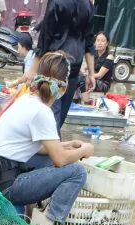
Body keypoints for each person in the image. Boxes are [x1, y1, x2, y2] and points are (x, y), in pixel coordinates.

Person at [0, 52, 95, 225]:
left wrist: (66, 144)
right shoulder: (43, 112)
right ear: (64, 88)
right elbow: (60, 160)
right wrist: (84, 149)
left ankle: (33, 219)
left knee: (46, 158)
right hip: (4, 186)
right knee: (77, 172)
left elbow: (38, 148)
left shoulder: (25, 100)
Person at [33, 0, 96, 132]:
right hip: (73, 67)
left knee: (51, 117)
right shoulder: (88, 5)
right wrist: (91, 74)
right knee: (59, 116)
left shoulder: (56, 2)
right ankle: (52, 148)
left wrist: (33, 69)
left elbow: (45, 37)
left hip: (54, 67)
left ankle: (50, 150)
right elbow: (89, 42)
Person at [91, 32, 116, 97]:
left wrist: (87, 76)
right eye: (98, 40)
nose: (99, 43)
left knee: (83, 80)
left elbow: (99, 76)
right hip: (93, 79)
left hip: (103, 84)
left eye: (102, 41)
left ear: (107, 43)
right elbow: (86, 67)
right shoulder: (94, 55)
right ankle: (75, 101)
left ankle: (85, 101)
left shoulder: (109, 57)